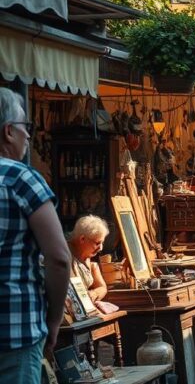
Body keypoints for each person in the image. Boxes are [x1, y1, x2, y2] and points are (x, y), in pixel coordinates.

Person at [0, 88, 71, 380]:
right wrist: (54, 320)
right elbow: (58, 259)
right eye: (25, 127)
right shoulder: (21, 179)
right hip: (14, 332)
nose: (29, 136)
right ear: (7, 131)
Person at [67, 215, 110, 302]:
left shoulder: (86, 255)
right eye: (97, 243)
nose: (101, 248)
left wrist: (95, 293)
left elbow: (102, 287)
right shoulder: (65, 255)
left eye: (102, 243)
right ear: (82, 239)